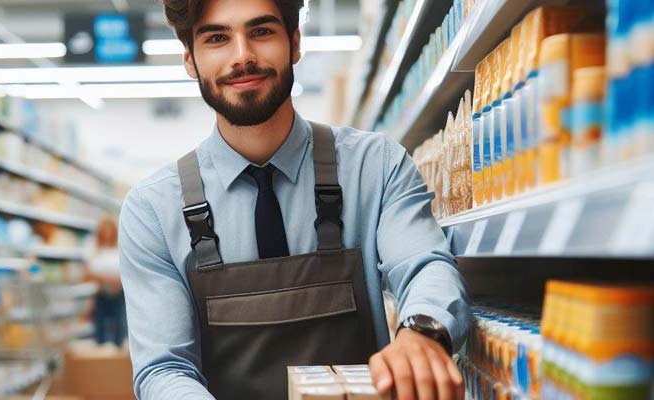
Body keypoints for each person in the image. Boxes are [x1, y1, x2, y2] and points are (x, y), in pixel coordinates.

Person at [118, 0, 472, 399]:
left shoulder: (375, 166)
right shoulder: (152, 210)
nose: (242, 56)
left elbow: (424, 264)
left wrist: (422, 333)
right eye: (217, 38)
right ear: (190, 59)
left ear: (295, 42)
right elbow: (164, 369)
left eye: (262, 31)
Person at [84, 216, 126, 347]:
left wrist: (118, 282)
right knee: (100, 326)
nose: (107, 233)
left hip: (119, 293)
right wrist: (104, 281)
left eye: (110, 230)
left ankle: (118, 355)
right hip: (100, 293)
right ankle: (100, 355)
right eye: (104, 230)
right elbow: (87, 274)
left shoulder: (121, 246)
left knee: (120, 325)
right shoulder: (92, 248)